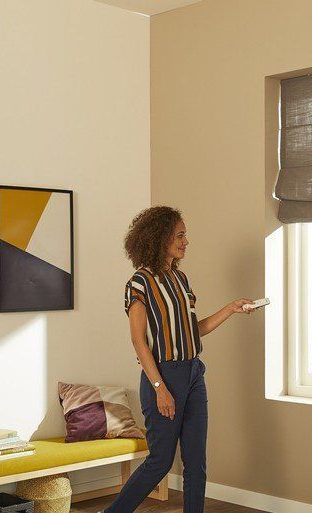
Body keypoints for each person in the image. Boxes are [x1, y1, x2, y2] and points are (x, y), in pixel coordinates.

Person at [106, 206, 254, 513]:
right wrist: (160, 387)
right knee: (160, 462)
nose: (186, 241)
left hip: (193, 374)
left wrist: (231, 308)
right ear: (160, 238)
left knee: (196, 463)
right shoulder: (139, 283)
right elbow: (138, 340)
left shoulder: (180, 279)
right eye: (180, 234)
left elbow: (192, 332)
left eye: (185, 234)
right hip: (163, 376)